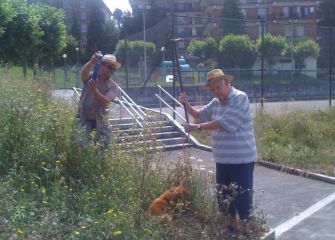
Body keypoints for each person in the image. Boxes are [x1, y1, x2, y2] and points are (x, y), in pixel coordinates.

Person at [179, 69, 257, 231]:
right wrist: (186, 104)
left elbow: (224, 122)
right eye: (212, 89)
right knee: (224, 197)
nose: (216, 92)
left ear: (227, 83)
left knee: (242, 197)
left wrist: (196, 127)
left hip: (241, 159)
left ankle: (248, 230)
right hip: (222, 159)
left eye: (218, 87)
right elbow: (200, 115)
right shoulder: (216, 102)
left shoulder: (240, 98)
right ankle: (233, 228)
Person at [77, 52, 121, 146]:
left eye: (113, 69)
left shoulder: (113, 86)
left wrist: (94, 90)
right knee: (81, 149)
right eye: (109, 67)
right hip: (84, 120)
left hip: (101, 123)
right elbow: (83, 74)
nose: (111, 71)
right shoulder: (90, 77)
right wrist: (91, 62)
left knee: (105, 151)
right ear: (100, 64)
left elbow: (106, 101)